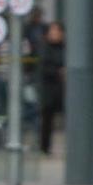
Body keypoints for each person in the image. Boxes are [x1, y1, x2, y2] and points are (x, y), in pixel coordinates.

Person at [39, 22, 65, 155]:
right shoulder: (45, 48)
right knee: (46, 120)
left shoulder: (65, 48)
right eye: (52, 31)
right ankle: (44, 147)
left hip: (63, 90)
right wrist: (58, 72)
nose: (54, 34)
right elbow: (43, 67)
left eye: (57, 31)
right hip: (49, 90)